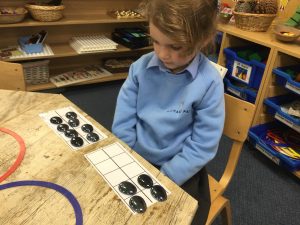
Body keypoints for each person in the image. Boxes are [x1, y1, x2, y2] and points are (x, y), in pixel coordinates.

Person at [112, 0, 224, 224]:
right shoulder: (140, 68)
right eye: (156, 41)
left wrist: (167, 176)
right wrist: (131, 158)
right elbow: (123, 122)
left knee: (178, 216)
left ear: (202, 40)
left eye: (175, 47)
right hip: (136, 155)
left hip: (180, 166)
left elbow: (202, 145)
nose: (162, 54)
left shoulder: (209, 82)